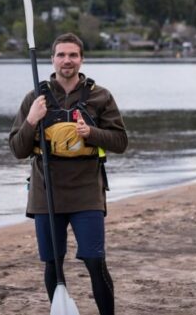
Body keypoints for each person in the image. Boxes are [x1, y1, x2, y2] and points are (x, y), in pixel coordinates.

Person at [9, 33, 128, 315]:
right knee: (53, 263)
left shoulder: (100, 96)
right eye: (61, 55)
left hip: (86, 190)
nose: (67, 60)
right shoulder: (35, 98)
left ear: (81, 59)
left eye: (73, 55)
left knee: (95, 261)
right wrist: (31, 120)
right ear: (52, 60)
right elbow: (17, 149)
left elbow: (121, 142)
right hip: (45, 191)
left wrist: (92, 133)